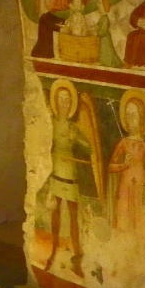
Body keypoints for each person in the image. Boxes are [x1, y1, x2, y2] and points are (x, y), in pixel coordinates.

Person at [44, 80, 96, 276]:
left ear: (71, 104)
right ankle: (53, 250)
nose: (64, 104)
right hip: (56, 172)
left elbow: (89, 148)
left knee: (74, 216)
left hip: (70, 174)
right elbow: (43, 144)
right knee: (55, 213)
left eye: (67, 100)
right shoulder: (51, 124)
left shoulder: (73, 128)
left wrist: (77, 140)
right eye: (61, 100)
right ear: (56, 102)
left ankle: (77, 258)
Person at [107, 89, 145, 233]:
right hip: (124, 190)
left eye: (134, 115)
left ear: (141, 117)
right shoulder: (123, 143)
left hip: (140, 191)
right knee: (124, 224)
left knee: (140, 224)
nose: (130, 119)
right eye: (127, 115)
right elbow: (110, 167)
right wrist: (124, 165)